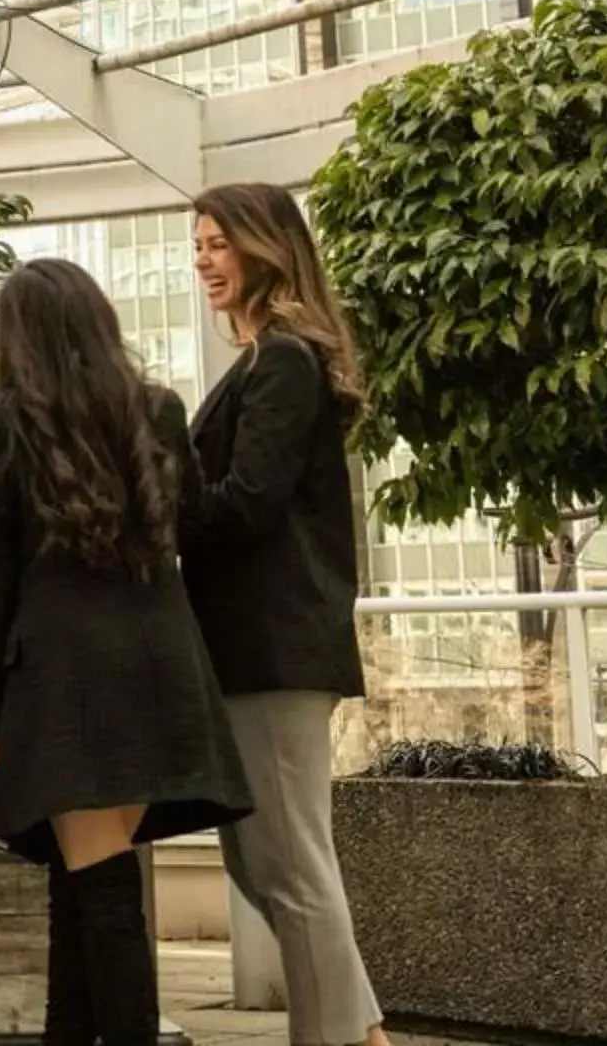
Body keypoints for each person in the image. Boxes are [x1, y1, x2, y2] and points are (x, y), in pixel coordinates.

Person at [0, 257, 252, 1046]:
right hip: (159, 664)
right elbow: (188, 523)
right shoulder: (156, 410)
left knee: (101, 885)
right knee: (79, 878)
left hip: (63, 678)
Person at [180, 183, 388, 1046]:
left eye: (219, 243)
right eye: (197, 245)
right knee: (270, 864)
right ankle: (362, 1035)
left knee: (290, 869)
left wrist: (155, 501)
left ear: (266, 248)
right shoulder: (268, 358)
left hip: (274, 648)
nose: (203, 260)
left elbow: (247, 503)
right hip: (256, 649)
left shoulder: (284, 362)